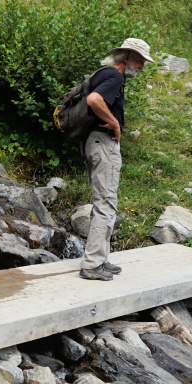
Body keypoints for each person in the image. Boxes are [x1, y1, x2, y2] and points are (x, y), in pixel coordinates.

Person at [79, 37, 153, 281]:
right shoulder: (114, 76)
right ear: (127, 57)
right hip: (103, 144)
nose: (142, 67)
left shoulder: (103, 74)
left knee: (104, 201)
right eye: (140, 61)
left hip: (93, 142)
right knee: (107, 203)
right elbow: (94, 100)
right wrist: (114, 124)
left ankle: (101, 258)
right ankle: (92, 264)